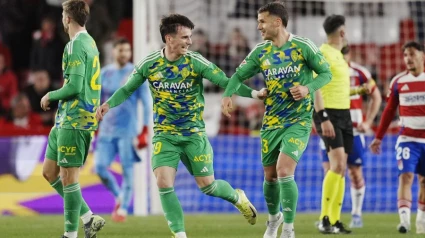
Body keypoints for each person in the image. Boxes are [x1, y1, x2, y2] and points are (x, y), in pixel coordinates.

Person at [96, 14, 266, 238]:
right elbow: (127, 89)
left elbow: (226, 81)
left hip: (193, 134)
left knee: (208, 186)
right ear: (169, 38)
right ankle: (180, 235)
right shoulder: (150, 64)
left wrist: (254, 93)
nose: (190, 41)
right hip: (165, 135)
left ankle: (237, 198)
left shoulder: (195, 61)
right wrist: (108, 104)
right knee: (163, 182)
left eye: (190, 36)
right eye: (185, 37)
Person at [221, 2, 332, 238]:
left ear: (277, 22)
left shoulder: (303, 46)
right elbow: (237, 77)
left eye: (262, 21)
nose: (258, 26)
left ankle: (289, 229)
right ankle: (274, 220)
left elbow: (326, 73)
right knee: (269, 177)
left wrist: (307, 88)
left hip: (299, 120)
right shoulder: (260, 52)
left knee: (284, 171)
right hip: (271, 122)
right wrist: (228, 95)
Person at [40, 1, 105, 237]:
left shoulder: (76, 45)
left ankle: (70, 234)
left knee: (69, 179)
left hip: (76, 120)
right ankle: (89, 217)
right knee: (49, 172)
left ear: (67, 18)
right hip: (66, 119)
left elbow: (75, 86)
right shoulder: (89, 42)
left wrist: (50, 94)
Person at [319, 45, 382, 228]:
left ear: (348, 55)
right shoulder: (326, 70)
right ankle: (328, 217)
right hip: (331, 126)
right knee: (330, 171)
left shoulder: (359, 72)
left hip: (353, 129)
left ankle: (356, 214)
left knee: (354, 172)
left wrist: (369, 121)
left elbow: (376, 96)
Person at [370, 41, 425, 235]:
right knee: (406, 176)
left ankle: (421, 219)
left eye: (411, 54)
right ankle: (404, 221)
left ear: (422, 56)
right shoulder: (398, 81)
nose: (408, 58)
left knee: (424, 180)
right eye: (405, 55)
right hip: (407, 138)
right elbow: (389, 110)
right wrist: (378, 137)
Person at [95, 37, 151, 222]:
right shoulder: (105, 73)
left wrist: (144, 129)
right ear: (114, 52)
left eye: (127, 50)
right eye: (121, 50)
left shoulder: (137, 74)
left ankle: (123, 209)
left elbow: (146, 102)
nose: (125, 54)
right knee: (100, 168)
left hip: (128, 131)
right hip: (106, 130)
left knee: (128, 170)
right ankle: (119, 196)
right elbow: (96, 100)